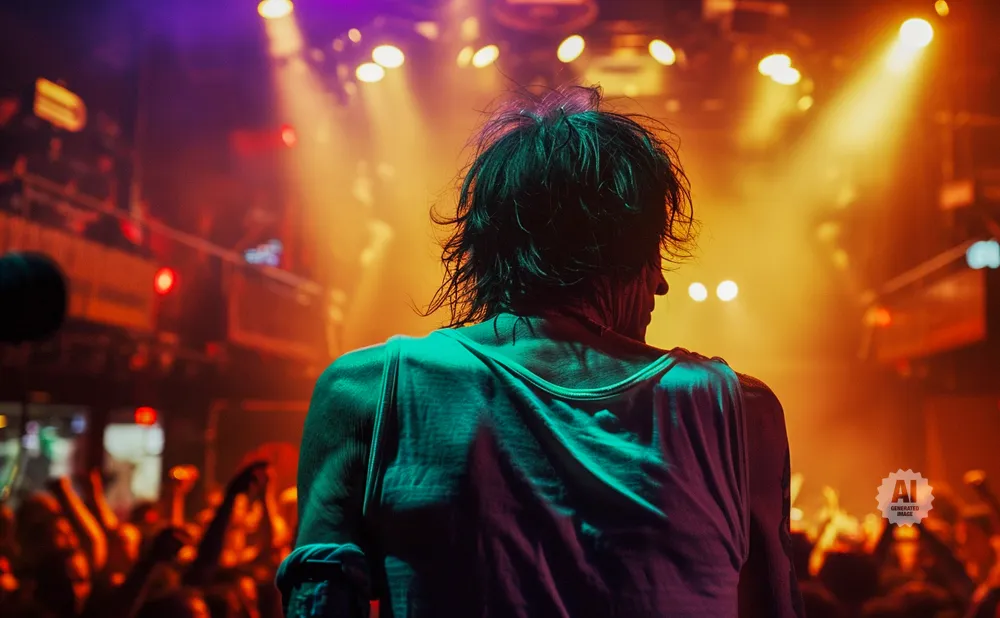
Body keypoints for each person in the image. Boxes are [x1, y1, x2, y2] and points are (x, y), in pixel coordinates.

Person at [278, 86, 803, 617]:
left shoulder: (365, 392)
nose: (662, 287)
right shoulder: (739, 412)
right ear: (627, 256)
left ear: (483, 253)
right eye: (654, 256)